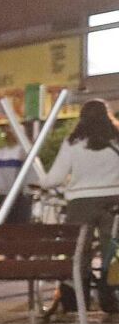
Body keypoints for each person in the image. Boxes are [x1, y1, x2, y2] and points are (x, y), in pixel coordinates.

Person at [39, 97, 119, 312]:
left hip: (81, 203)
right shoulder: (117, 139)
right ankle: (111, 293)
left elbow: (55, 178)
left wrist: (42, 183)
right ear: (107, 115)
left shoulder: (73, 142)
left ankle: (77, 297)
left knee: (79, 251)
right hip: (114, 202)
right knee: (113, 249)